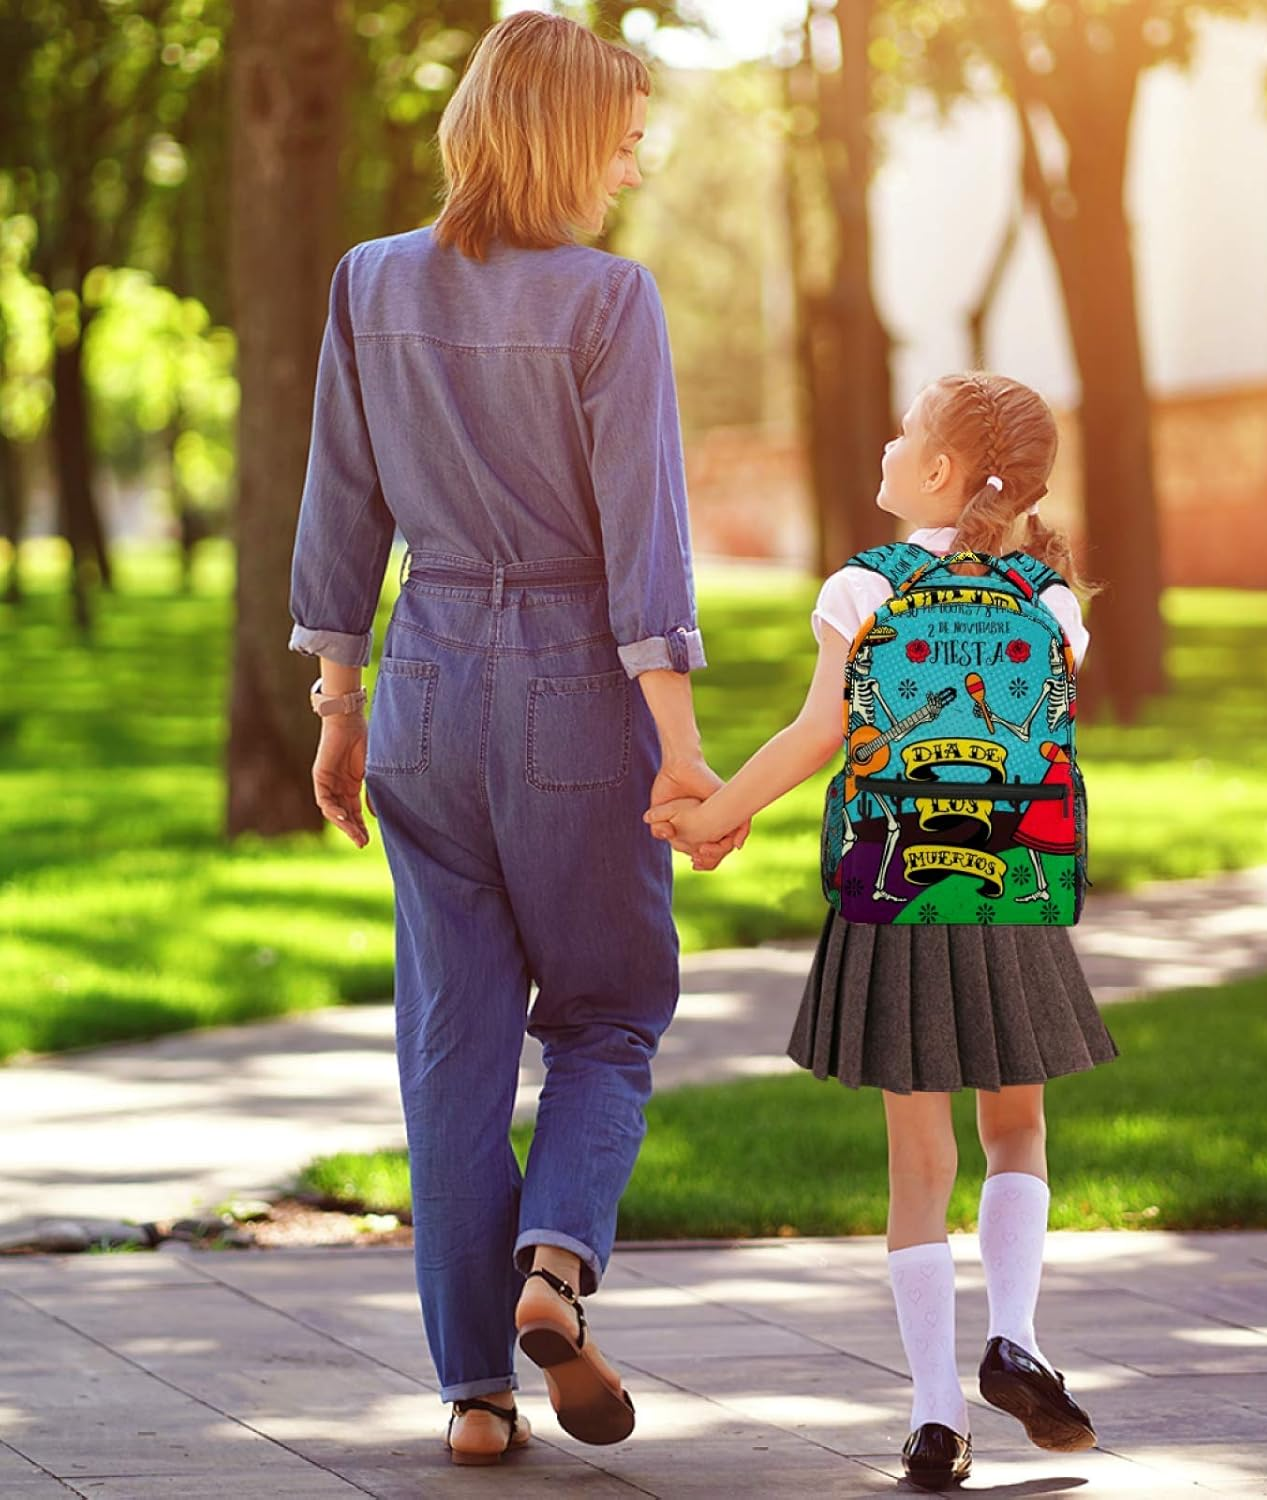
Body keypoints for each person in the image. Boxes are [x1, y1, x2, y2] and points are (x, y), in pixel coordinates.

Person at [286, 12, 746, 1468]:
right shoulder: (611, 301)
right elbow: (643, 548)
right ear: (559, 135)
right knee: (610, 1013)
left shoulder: (369, 283)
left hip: (422, 681)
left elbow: (340, 507)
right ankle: (556, 1268)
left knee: (454, 1044)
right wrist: (680, 749)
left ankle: (474, 1393)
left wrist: (339, 705)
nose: (630, 159)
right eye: (618, 134)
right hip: (571, 687)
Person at [646, 372, 1119, 1491]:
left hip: (894, 890)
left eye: (905, 432)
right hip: (1012, 894)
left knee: (919, 1163)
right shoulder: (1049, 598)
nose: (889, 444)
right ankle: (1018, 1335)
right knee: (1017, 1132)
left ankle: (935, 1416)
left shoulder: (866, 586)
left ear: (943, 472)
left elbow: (819, 733)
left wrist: (715, 817)